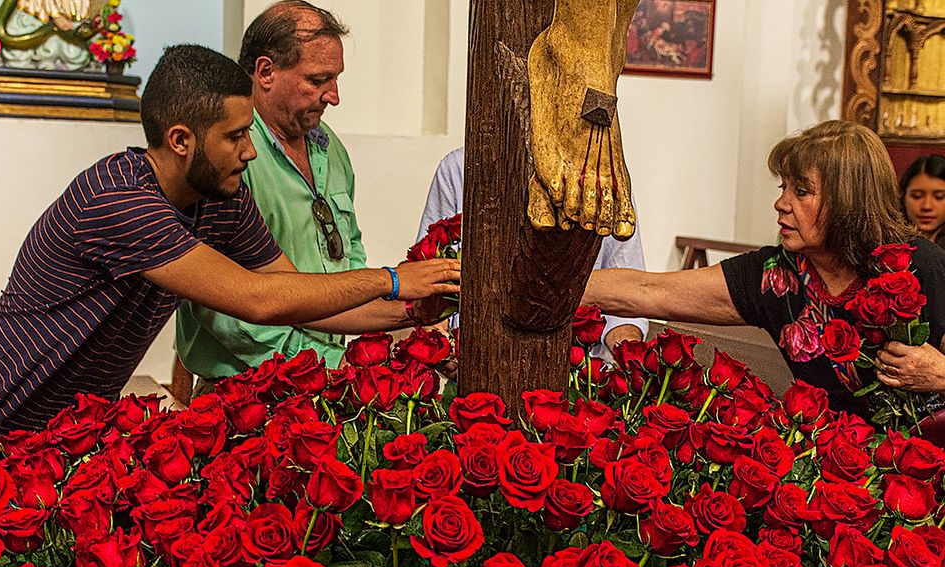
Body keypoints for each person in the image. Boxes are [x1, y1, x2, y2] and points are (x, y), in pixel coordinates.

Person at [0, 44, 458, 437]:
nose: (250, 152)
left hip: (70, 430)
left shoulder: (220, 200)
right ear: (181, 140)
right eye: (235, 136)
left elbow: (296, 295)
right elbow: (257, 301)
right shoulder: (119, 199)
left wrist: (413, 311)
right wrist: (390, 279)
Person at [582, 120, 945, 416]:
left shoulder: (922, 268)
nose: (780, 203)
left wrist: (941, 374)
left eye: (800, 192)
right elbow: (650, 292)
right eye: (783, 187)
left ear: (847, 200)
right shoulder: (777, 277)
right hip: (841, 472)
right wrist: (539, 287)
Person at [176, 1, 371, 389]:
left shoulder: (330, 147)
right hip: (244, 392)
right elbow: (220, 305)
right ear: (266, 72)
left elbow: (348, 251)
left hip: (326, 381)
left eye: (336, 79)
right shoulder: (225, 157)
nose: (333, 96)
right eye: (318, 80)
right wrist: (326, 363)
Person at [418, 147, 649, 362]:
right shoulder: (460, 167)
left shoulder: (604, 176)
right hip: (474, 360)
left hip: (578, 370)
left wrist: (628, 355)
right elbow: (430, 273)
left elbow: (625, 290)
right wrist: (439, 343)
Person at [900, 154, 945, 248]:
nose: (926, 206)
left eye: (939, 197)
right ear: (903, 196)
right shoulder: (889, 242)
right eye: (917, 196)